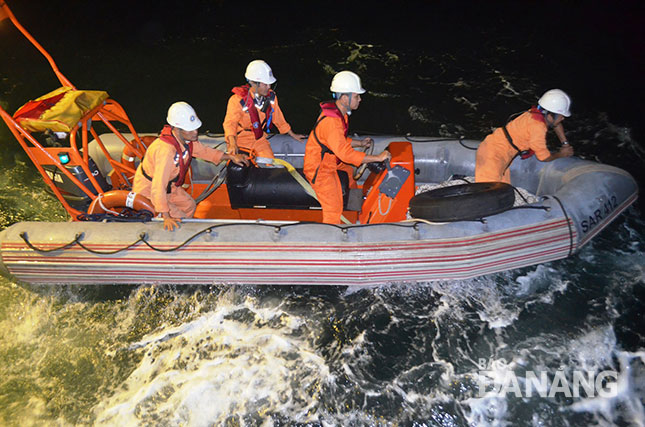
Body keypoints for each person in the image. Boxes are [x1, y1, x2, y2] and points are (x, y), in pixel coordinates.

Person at [133, 101, 248, 231]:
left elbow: (204, 151)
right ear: (177, 129)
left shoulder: (186, 140)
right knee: (180, 219)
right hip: (149, 192)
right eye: (191, 129)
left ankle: (185, 228)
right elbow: (158, 186)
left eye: (196, 128)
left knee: (189, 205)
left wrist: (231, 156)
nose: (195, 133)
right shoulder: (166, 151)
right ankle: (180, 233)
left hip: (169, 187)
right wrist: (166, 216)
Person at [303, 71, 391, 224]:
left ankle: (354, 210)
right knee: (334, 208)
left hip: (331, 159)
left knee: (349, 171)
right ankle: (332, 237)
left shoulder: (341, 114)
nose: (359, 99)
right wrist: (377, 158)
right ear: (345, 98)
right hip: (320, 168)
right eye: (356, 96)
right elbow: (346, 154)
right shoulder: (331, 122)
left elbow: (339, 141)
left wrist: (360, 143)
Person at [475, 89, 575, 184]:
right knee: (488, 191)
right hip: (494, 155)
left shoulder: (536, 113)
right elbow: (543, 157)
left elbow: (556, 123)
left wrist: (565, 144)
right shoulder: (538, 127)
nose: (563, 118)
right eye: (561, 116)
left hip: (500, 151)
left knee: (502, 188)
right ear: (550, 115)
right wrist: (561, 154)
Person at [222, 59, 306, 159]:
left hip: (259, 138)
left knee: (268, 163)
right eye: (265, 84)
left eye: (269, 84)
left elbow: (278, 118)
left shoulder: (271, 97)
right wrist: (232, 143)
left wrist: (292, 134)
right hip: (240, 139)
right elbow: (230, 124)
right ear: (254, 84)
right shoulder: (237, 100)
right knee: (238, 169)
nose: (269, 87)